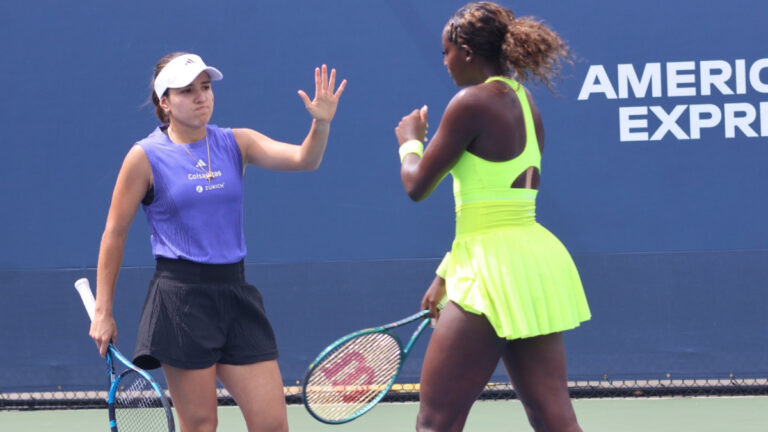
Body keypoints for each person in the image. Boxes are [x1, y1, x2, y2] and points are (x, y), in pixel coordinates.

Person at [89, 52, 346, 432]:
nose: (201, 97)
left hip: (235, 295)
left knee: (273, 425)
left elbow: (304, 159)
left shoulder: (235, 143)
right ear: (165, 102)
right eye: (187, 90)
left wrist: (320, 124)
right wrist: (103, 311)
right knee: (202, 427)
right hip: (181, 302)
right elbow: (114, 233)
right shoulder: (144, 157)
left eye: (206, 87)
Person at [394, 2, 590, 431]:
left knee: (434, 422)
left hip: (490, 275)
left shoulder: (470, 103)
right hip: (531, 265)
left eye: (445, 52)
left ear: (466, 51)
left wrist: (410, 142)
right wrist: (446, 272)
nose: (443, 62)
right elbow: (495, 204)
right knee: (552, 415)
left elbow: (416, 185)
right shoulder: (524, 101)